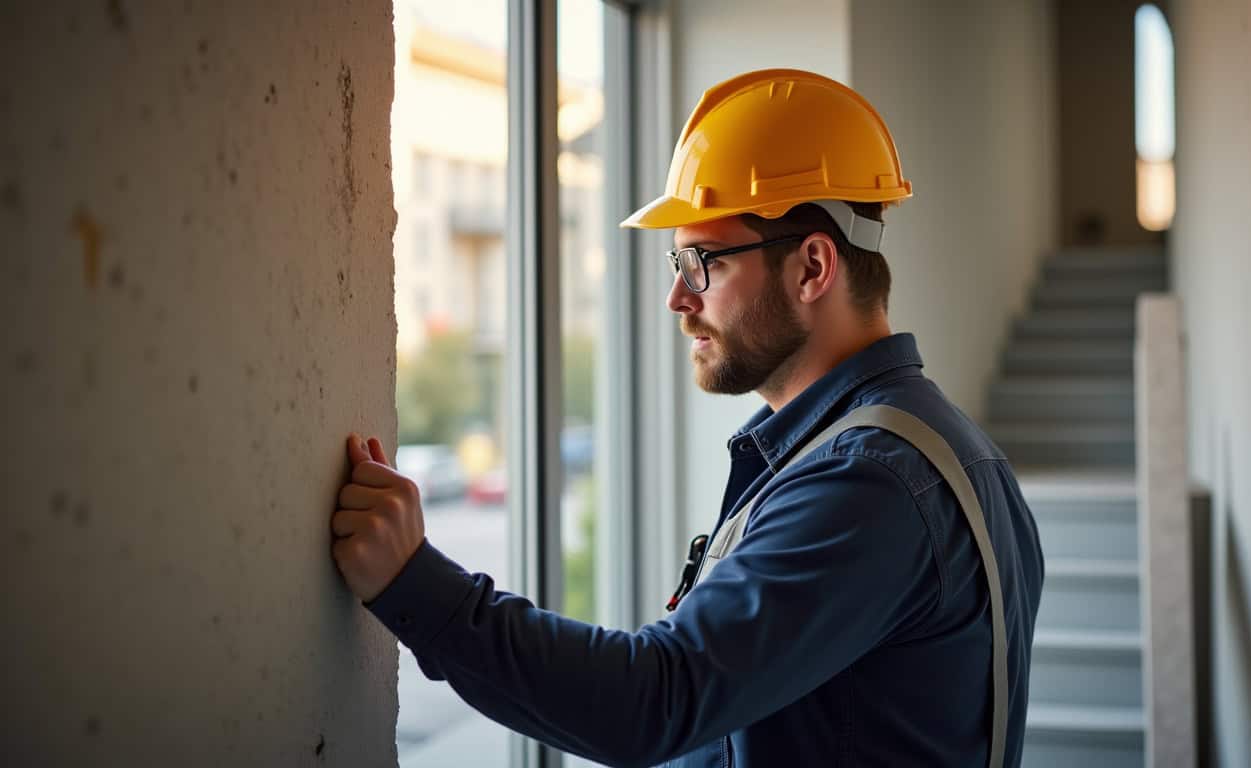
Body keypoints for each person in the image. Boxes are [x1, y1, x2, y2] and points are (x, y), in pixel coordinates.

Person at [331, 68, 1044, 767]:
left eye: (704, 261)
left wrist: (413, 583)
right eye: (678, 261)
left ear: (813, 268)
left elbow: (656, 700)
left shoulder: (872, 482)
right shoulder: (937, 448)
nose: (678, 297)